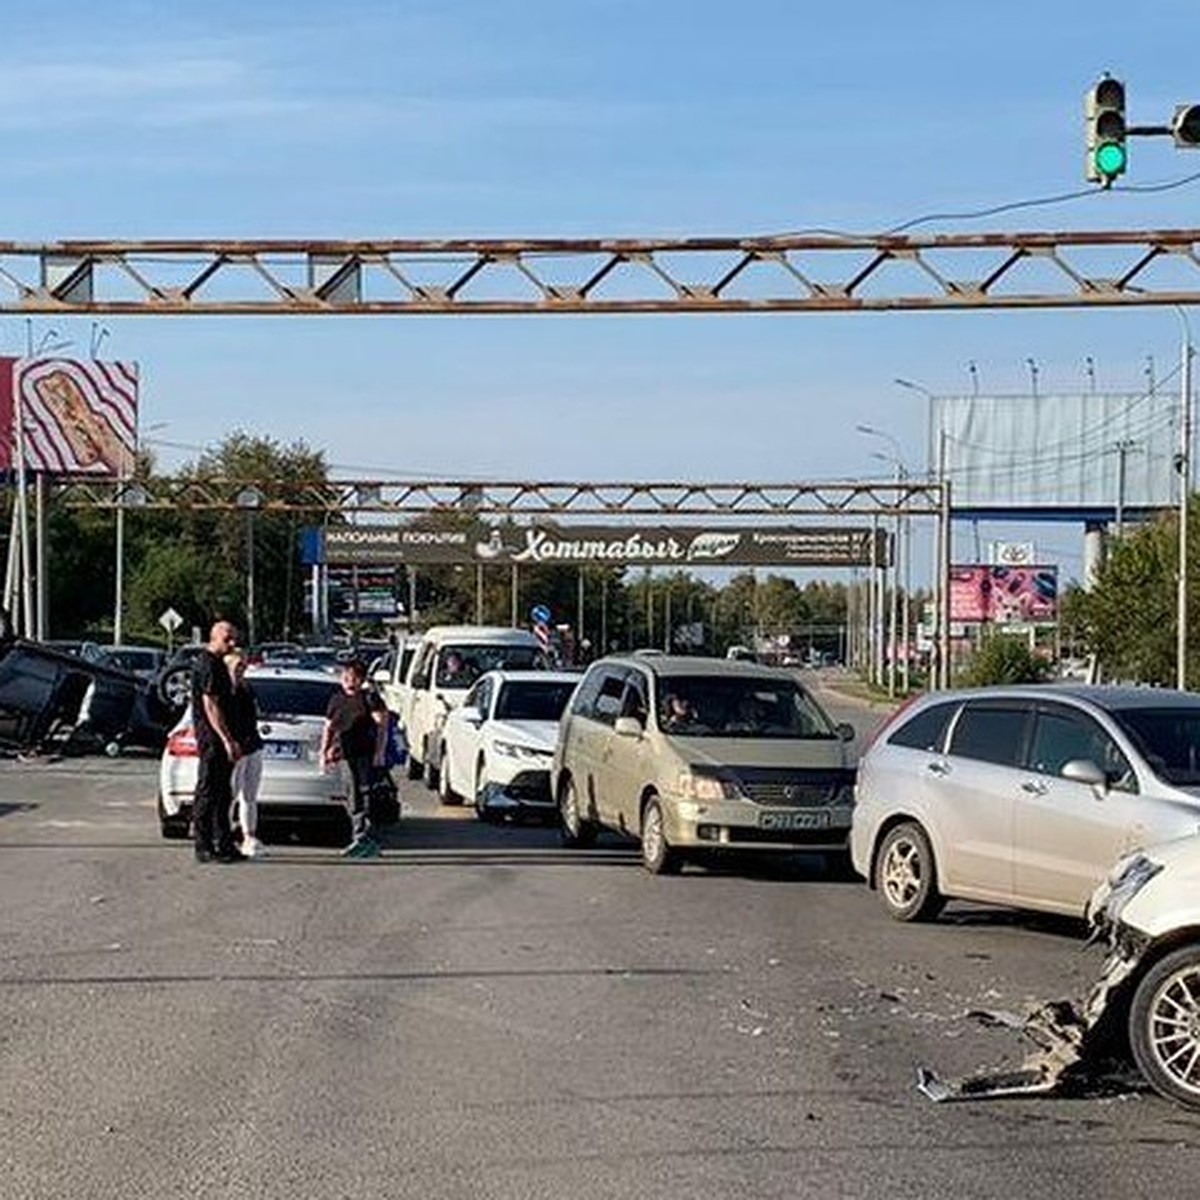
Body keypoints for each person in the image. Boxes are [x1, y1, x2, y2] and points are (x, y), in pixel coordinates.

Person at [321, 659, 388, 858]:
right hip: (345, 755)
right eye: (346, 677)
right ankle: (360, 837)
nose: (349, 682)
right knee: (352, 794)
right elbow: (330, 727)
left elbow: (382, 725)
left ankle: (363, 837)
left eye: (354, 678)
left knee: (364, 793)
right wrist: (325, 751)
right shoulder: (336, 699)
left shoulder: (370, 699)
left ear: (361, 680)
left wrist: (379, 752)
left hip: (365, 754)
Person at [191, 621, 243, 863]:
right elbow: (211, 706)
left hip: (224, 738)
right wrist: (226, 739)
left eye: (233, 638)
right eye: (227, 639)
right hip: (213, 738)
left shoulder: (221, 665)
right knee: (208, 790)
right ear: (214, 638)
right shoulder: (208, 664)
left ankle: (224, 843)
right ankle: (203, 844)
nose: (232, 643)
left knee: (224, 792)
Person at [225, 651, 266, 859]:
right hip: (235, 748)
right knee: (231, 793)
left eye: (243, 665)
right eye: (237, 666)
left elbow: (253, 716)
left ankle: (249, 836)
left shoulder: (247, 688)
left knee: (250, 795)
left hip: (252, 745)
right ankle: (223, 834)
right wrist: (231, 743)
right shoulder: (224, 691)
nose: (241, 669)